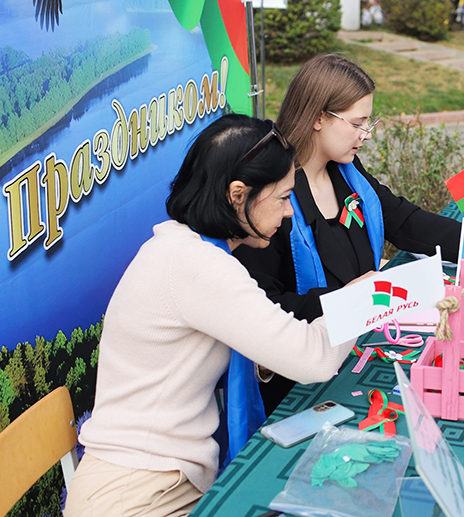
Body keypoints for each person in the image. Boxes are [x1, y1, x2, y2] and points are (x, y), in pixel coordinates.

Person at [64, 115, 355, 517]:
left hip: (161, 478)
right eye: (284, 197)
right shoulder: (197, 265)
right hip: (135, 495)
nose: (289, 213)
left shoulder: (186, 249)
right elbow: (315, 359)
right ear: (238, 194)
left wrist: (267, 356)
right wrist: (364, 304)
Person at [233, 54, 464, 415]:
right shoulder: (271, 200)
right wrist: (346, 301)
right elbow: (264, 306)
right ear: (319, 117)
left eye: (370, 122)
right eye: (358, 123)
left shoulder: (346, 171)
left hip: (361, 346)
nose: (366, 135)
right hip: (303, 379)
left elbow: (404, 220)